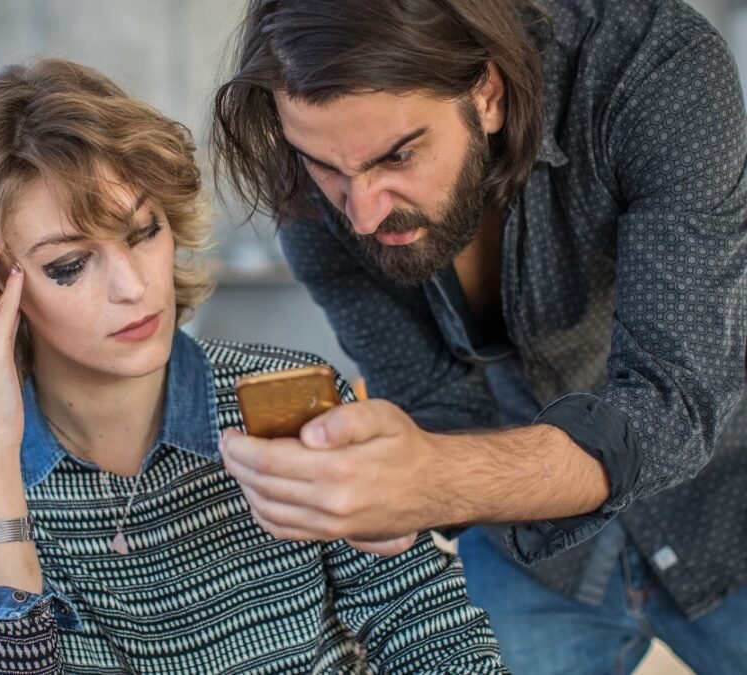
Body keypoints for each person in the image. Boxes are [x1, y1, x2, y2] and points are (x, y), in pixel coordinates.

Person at [0, 58, 507, 674]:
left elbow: (433, 632)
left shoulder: (287, 400)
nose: (132, 287)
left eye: (143, 232)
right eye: (69, 265)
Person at [210, 0, 747, 672]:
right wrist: (383, 496)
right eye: (328, 166)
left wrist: (436, 476)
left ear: (487, 93)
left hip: (729, 494)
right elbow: (435, 399)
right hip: (525, 541)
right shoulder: (312, 196)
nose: (363, 213)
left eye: (398, 154)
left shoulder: (654, 69)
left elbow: (672, 400)